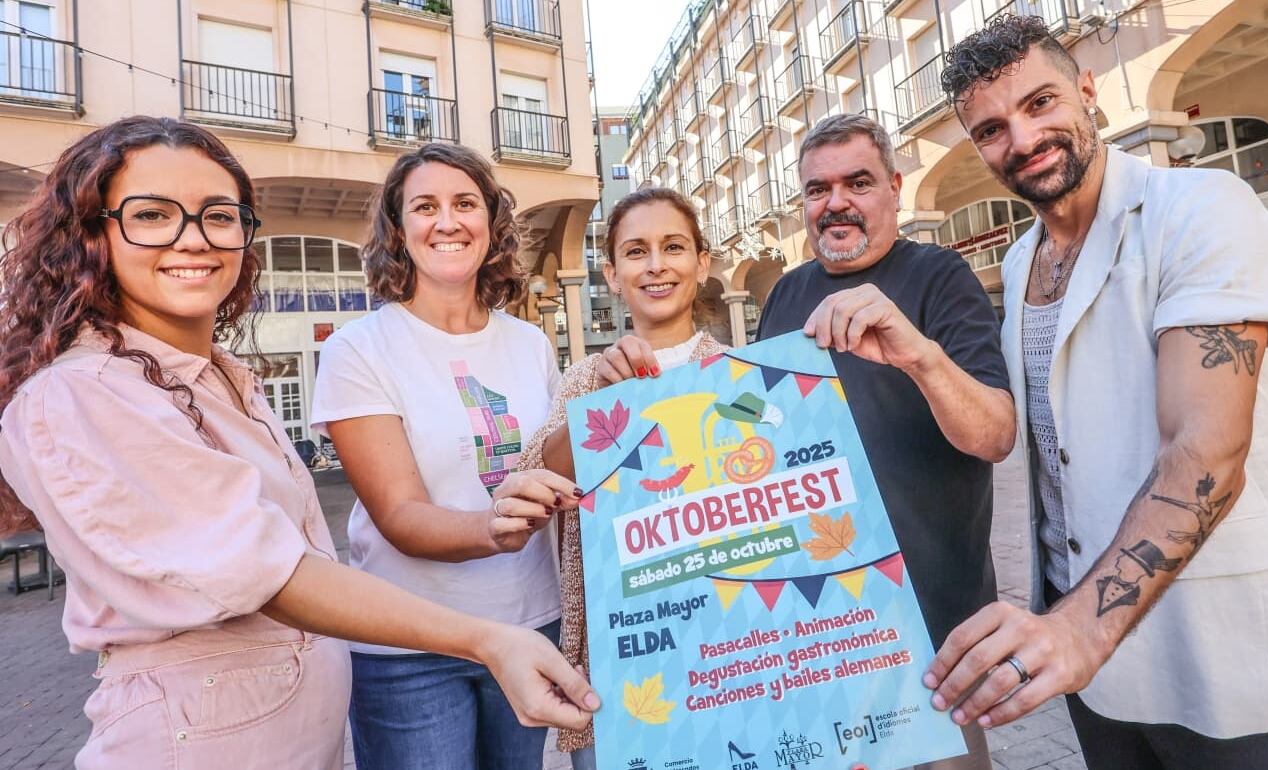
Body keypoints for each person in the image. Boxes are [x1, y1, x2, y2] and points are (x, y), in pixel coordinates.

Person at [0, 117, 597, 770]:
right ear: (91, 234)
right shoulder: (87, 391)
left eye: (218, 215)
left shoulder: (217, 379)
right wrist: (486, 634)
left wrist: (602, 401)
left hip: (293, 728)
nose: (192, 237)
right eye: (151, 214)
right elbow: (270, 570)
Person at [922, 16, 1268, 769]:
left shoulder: (1200, 208)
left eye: (1040, 103)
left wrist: (1078, 629)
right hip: (1098, 673)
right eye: (991, 129)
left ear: (1088, 93)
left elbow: (1206, 450)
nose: (1022, 139)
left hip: (1222, 652)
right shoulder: (1018, 262)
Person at [755, 113, 1017, 770]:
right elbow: (761, 428)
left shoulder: (941, 277)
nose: (836, 202)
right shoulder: (785, 294)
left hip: (935, 621)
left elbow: (995, 435)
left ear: (895, 188)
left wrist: (919, 356)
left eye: (858, 182)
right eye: (818, 189)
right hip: (823, 621)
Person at [310, 142, 578, 770]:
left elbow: (555, 468)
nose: (447, 222)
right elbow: (399, 514)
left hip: (529, 624)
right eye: (425, 207)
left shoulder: (530, 343)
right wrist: (493, 527)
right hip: (411, 648)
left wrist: (609, 402)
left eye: (465, 203)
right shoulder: (359, 349)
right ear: (398, 230)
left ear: (491, 221)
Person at [516, 187, 727, 770]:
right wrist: (602, 405)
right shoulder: (586, 379)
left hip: (729, 643)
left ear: (702, 263)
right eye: (636, 252)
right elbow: (534, 485)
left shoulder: (739, 375)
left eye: (673, 247)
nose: (656, 265)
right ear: (611, 274)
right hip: (621, 652)